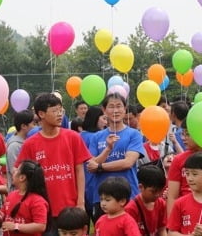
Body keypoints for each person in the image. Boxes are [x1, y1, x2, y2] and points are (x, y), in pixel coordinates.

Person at [15, 93, 91, 234]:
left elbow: (80, 170)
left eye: (60, 110)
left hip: (70, 209)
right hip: (44, 211)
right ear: (41, 114)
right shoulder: (30, 144)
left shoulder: (73, 137)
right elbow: (20, 174)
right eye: (55, 111)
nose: (59, 114)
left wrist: (80, 202)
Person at [87, 93, 145, 223]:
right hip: (102, 197)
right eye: (111, 107)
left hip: (128, 195)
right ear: (104, 110)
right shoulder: (96, 137)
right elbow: (91, 166)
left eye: (119, 106)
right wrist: (108, 149)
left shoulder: (134, 134)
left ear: (125, 109)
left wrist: (100, 167)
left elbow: (128, 162)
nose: (116, 110)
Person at [0, 160, 49, 236]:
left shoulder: (37, 201)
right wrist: (0, 216)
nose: (13, 172)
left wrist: (15, 226)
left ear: (22, 177)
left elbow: (40, 226)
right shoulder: (11, 195)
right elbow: (5, 214)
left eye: (17, 170)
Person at [167, 120, 202, 217]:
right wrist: (172, 225)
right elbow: (172, 196)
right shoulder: (178, 160)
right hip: (185, 214)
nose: (183, 138)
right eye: (182, 133)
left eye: (187, 134)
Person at [125, 165, 167, 236]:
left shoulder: (161, 203)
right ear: (141, 187)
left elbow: (162, 230)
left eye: (160, 191)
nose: (157, 194)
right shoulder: (130, 208)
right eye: (153, 191)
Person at [167, 153, 202, 235]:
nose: (190, 178)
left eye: (194, 174)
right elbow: (171, 233)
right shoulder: (180, 203)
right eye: (187, 174)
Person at [6, 109, 35, 192]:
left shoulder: (27, 142)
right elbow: (15, 171)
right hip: (19, 191)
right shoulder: (14, 146)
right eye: (33, 123)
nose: (35, 127)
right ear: (23, 126)